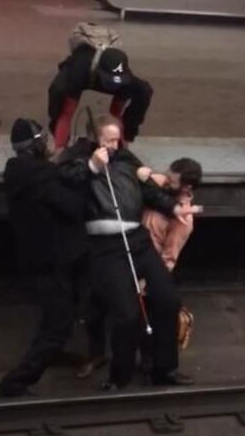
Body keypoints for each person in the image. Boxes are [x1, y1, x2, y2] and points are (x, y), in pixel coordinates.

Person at [58, 114, 198, 390]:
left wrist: (172, 207)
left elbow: (148, 190)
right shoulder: (76, 158)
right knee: (126, 314)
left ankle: (164, 368)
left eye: (116, 139)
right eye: (108, 139)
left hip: (137, 238)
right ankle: (119, 376)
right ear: (93, 138)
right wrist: (92, 167)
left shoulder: (125, 159)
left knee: (168, 300)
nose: (114, 145)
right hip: (106, 246)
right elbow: (65, 180)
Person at [76, 158, 203, 379]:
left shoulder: (183, 219)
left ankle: (148, 365)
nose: (165, 181)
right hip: (123, 252)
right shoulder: (163, 190)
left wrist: (147, 280)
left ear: (186, 187)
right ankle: (109, 358)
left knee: (142, 319)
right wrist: (147, 174)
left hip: (144, 266)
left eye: (171, 180)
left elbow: (170, 255)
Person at [0, 118, 90, 397]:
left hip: (40, 256)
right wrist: (86, 172)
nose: (50, 143)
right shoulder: (42, 177)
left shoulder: (20, 171)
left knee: (61, 311)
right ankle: (15, 383)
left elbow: (49, 181)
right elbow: (73, 207)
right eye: (45, 140)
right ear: (36, 146)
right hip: (53, 259)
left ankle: (52, 354)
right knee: (59, 324)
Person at [48, 46, 153, 151]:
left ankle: (123, 146)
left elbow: (116, 112)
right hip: (85, 74)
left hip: (114, 79)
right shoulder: (79, 69)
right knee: (60, 100)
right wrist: (59, 149)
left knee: (143, 91)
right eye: (110, 81)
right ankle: (59, 145)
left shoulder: (126, 80)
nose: (113, 85)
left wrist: (124, 143)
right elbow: (67, 113)